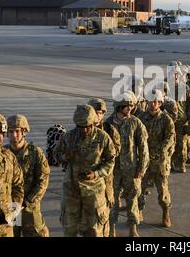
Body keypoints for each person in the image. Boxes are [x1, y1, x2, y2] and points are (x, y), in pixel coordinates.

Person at [54, 105, 116, 237]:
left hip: (94, 192)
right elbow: (56, 155)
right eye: (81, 127)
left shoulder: (103, 138)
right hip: (72, 190)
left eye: (88, 126)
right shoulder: (68, 137)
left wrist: (96, 174)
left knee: (94, 230)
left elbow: (110, 161)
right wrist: (65, 156)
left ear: (93, 122)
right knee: (70, 229)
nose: (85, 130)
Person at [105, 92, 149, 237]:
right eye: (126, 106)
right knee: (112, 201)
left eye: (131, 105)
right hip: (113, 170)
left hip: (131, 169)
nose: (129, 108)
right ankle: (111, 228)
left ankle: (133, 228)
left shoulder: (135, 122)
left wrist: (141, 168)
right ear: (118, 106)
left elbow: (143, 147)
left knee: (132, 199)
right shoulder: (108, 124)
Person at [6, 114, 50, 237]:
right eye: (11, 131)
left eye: (17, 131)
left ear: (24, 132)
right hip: (10, 207)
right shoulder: (3, 154)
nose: (14, 135)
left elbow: (43, 181)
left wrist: (27, 202)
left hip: (29, 207)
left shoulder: (35, 153)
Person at [139, 90, 175, 228]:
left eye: (155, 102)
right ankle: (139, 210)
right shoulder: (141, 117)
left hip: (160, 161)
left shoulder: (166, 119)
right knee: (140, 188)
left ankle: (166, 212)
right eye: (150, 101)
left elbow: (169, 139)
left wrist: (158, 152)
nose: (152, 104)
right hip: (144, 160)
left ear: (160, 103)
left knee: (163, 190)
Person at [87, 98, 121, 236]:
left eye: (101, 113)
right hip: (87, 182)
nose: (98, 115)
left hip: (105, 178)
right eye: (96, 112)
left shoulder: (109, 130)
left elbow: (117, 150)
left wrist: (104, 150)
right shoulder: (82, 130)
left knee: (105, 211)